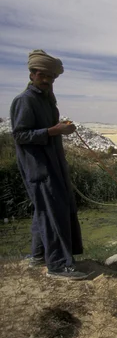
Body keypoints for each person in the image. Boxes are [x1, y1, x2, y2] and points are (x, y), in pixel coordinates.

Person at [10, 50, 87, 280]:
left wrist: (61, 127)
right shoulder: (24, 100)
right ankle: (58, 265)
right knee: (52, 211)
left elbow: (47, 128)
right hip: (39, 167)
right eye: (44, 76)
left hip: (53, 163)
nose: (48, 81)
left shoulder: (46, 98)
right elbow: (20, 135)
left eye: (52, 78)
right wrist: (54, 130)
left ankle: (38, 255)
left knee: (45, 209)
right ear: (33, 74)